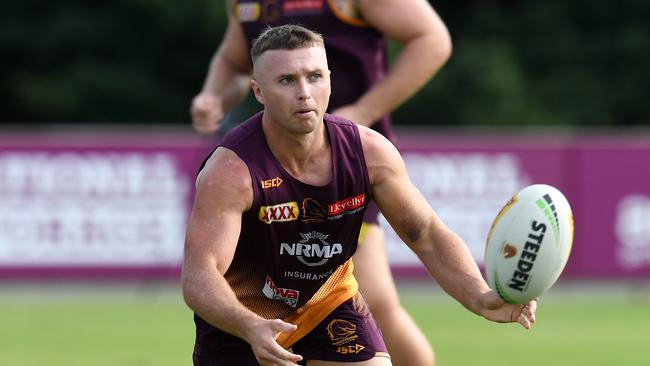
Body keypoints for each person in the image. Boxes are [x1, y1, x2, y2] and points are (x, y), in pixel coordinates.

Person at [182, 24, 537, 366]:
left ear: (330, 80)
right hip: (245, 319)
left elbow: (426, 234)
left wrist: (479, 295)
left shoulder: (369, 152)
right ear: (258, 92)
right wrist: (249, 326)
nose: (304, 91)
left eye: (315, 76)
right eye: (287, 80)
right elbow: (200, 277)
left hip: (327, 301)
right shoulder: (231, 171)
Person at [190, 2, 452, 365]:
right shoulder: (243, 3)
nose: (303, 90)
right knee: (256, 289)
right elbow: (235, 64)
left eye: (315, 77)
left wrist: (364, 110)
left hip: (344, 169)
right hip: (272, 166)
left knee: (371, 298)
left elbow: (433, 40)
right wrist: (212, 95)